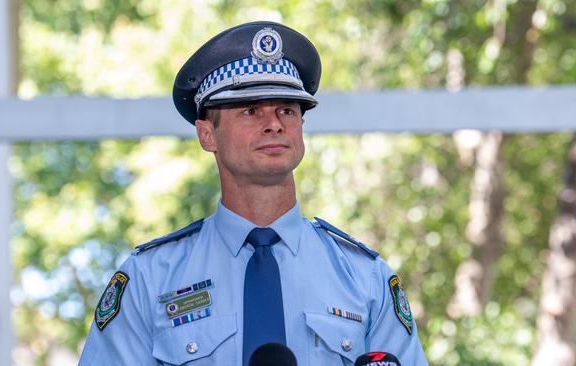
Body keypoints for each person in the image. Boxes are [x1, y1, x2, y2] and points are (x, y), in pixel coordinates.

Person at [79, 21, 428, 366]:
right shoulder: (151, 277)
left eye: (287, 110)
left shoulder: (364, 277)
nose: (274, 123)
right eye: (250, 110)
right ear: (207, 135)